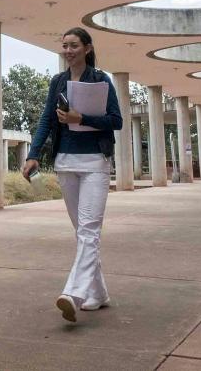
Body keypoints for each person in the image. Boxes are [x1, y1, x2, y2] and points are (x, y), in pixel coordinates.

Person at [21, 27, 122, 323]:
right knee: (83, 233)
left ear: (87, 48)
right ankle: (99, 293)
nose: (68, 50)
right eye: (65, 45)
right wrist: (33, 154)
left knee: (89, 231)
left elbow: (115, 121)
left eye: (74, 45)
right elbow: (46, 121)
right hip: (65, 161)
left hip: (95, 164)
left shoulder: (102, 80)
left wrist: (82, 118)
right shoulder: (58, 82)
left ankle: (74, 294)